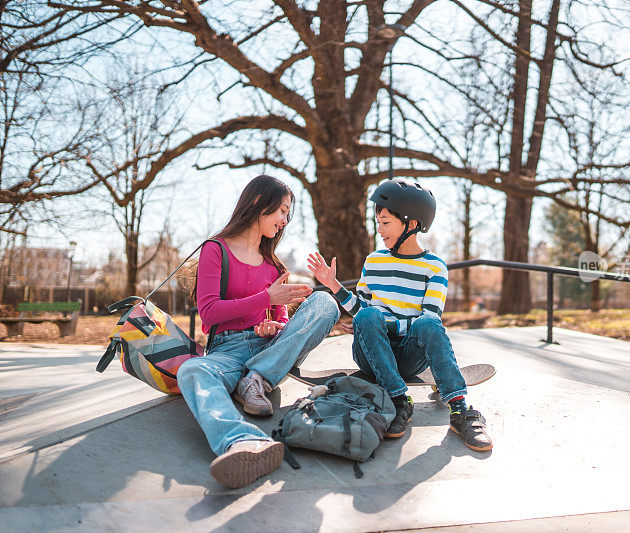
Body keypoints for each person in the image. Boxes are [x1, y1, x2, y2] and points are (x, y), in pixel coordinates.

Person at [177, 175, 340, 489]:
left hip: (269, 351)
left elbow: (281, 321)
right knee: (193, 370)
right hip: (226, 352)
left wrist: (274, 326)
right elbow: (209, 312)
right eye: (281, 210)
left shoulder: (275, 267)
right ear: (257, 202)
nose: (284, 220)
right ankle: (243, 443)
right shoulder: (216, 250)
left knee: (324, 302)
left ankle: (257, 379)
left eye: (287, 214)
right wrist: (266, 298)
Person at [307, 179, 492, 451]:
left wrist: (383, 324)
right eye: (378, 223)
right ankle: (399, 400)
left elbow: (428, 319)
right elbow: (364, 310)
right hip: (372, 354)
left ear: (412, 225)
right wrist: (335, 287)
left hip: (409, 356)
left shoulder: (435, 267)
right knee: (368, 318)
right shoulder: (374, 260)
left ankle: (460, 410)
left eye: (385, 223)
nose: (379, 230)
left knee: (428, 324)